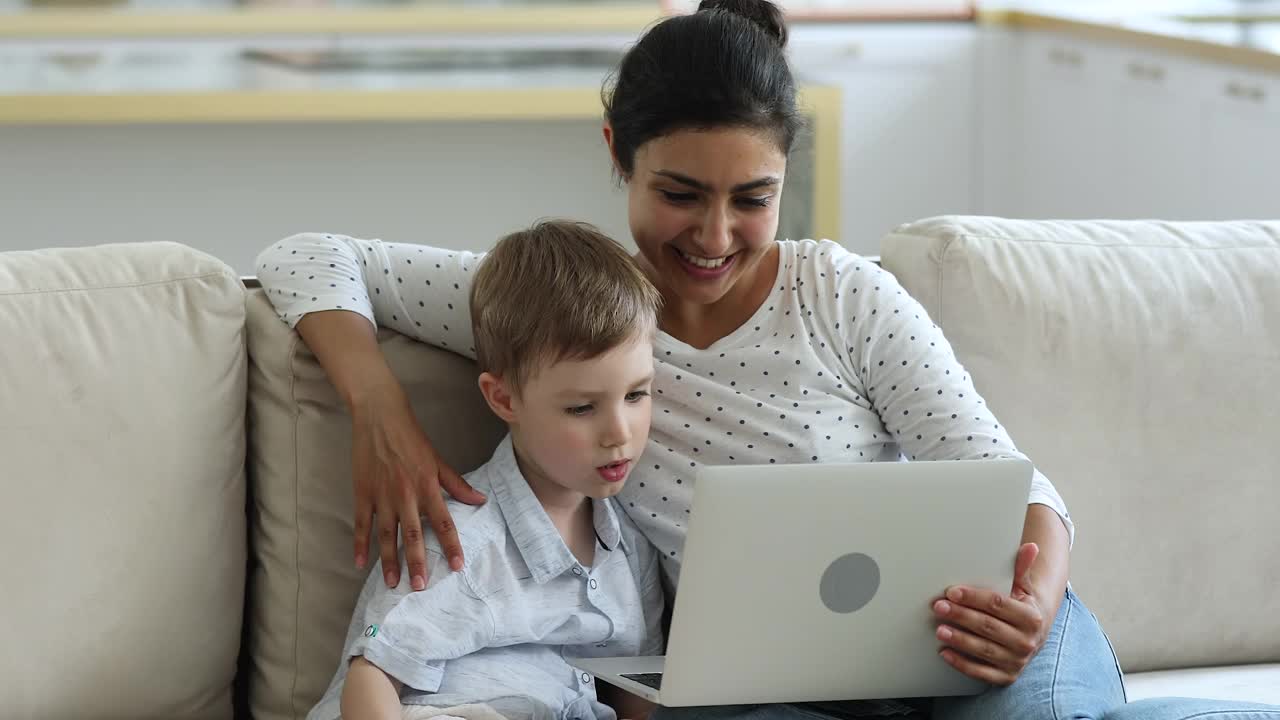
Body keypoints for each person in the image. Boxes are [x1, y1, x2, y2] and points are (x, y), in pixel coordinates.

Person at [256, 1, 1280, 718]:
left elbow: (1018, 484)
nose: (712, 235)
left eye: (751, 197)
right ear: (616, 151)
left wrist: (1032, 600)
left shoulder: (841, 293)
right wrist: (380, 410)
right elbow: (308, 255)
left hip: (963, 643)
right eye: (679, 192)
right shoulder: (573, 310)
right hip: (763, 689)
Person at [305, 221, 665, 720]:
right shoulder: (462, 540)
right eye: (582, 408)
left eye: (636, 395)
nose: (619, 432)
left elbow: (634, 690)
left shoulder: (629, 548)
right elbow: (372, 667)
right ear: (503, 398)